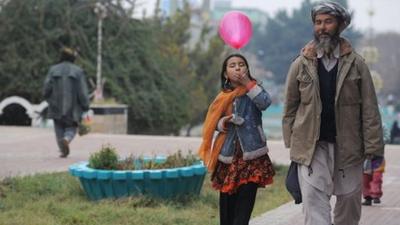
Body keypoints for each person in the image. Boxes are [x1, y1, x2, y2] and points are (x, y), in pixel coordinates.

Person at [282, 2, 384, 225]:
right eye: (318, 22)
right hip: (312, 147)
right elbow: (290, 107)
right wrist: (293, 142)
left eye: (328, 21)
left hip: (348, 147)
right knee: (314, 202)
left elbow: (370, 109)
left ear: (340, 25)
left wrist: (374, 148)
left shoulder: (357, 65)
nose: (322, 27)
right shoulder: (301, 64)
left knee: (349, 203)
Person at [198, 53, 275, 225]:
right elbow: (213, 122)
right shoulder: (223, 96)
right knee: (227, 211)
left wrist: (248, 82)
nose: (237, 67)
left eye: (241, 64)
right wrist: (223, 122)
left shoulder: (254, 90)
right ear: (225, 74)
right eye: (232, 65)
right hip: (228, 157)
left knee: (244, 210)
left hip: (252, 157)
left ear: (247, 69)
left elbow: (265, 103)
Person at [43, 47, 90, 158]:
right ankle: (67, 139)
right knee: (71, 127)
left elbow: (46, 88)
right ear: (73, 58)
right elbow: (82, 91)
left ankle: (62, 149)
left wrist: (48, 98)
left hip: (55, 105)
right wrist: (85, 105)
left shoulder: (53, 69)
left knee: (58, 127)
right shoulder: (78, 71)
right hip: (73, 107)